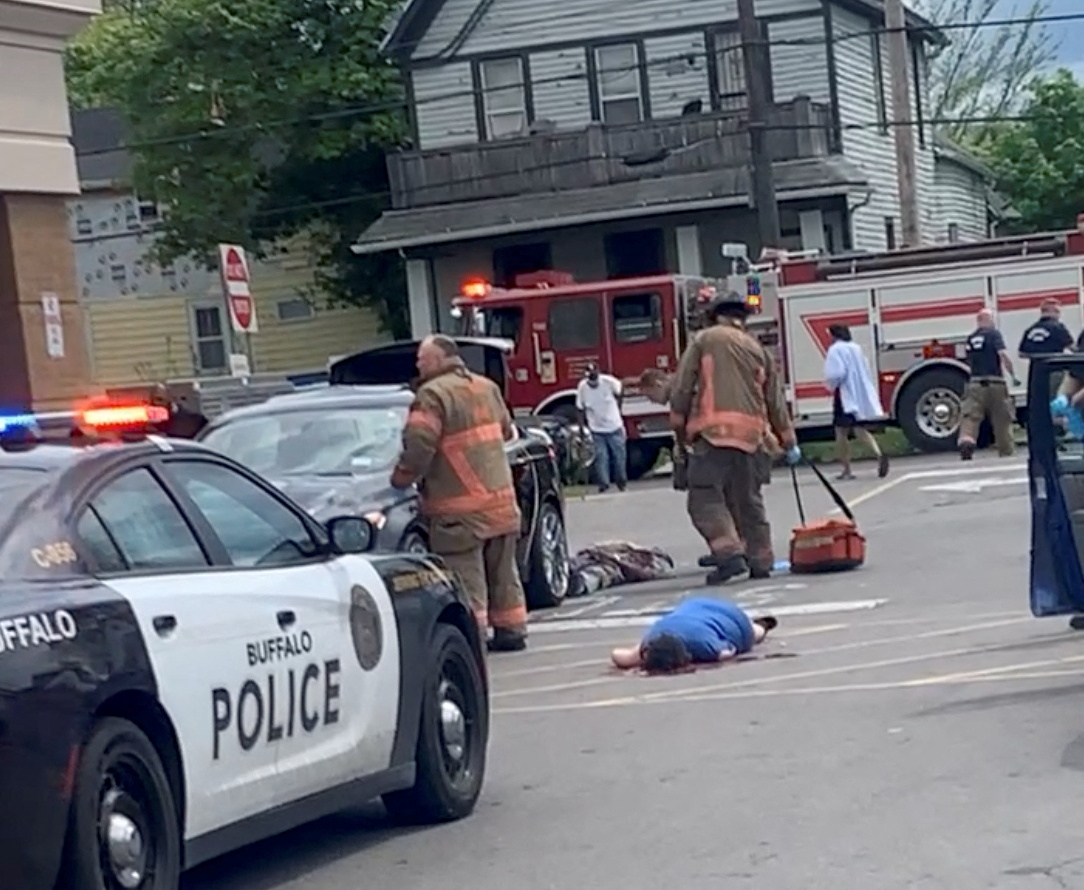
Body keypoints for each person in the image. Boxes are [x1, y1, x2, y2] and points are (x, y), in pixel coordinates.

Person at [391, 334, 528, 652]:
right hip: (502, 502)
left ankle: (473, 639)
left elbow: (420, 446)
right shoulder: (486, 387)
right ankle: (512, 630)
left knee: (467, 579)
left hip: (460, 510)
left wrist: (401, 478)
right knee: (503, 574)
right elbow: (506, 431)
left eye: (421, 359)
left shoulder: (431, 396)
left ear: (438, 360)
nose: (417, 364)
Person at [670, 292, 800, 585]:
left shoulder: (705, 339)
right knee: (748, 500)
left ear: (715, 315)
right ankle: (761, 560)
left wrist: (678, 423)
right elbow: (775, 400)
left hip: (712, 434)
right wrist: (788, 440)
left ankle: (728, 555)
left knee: (704, 497)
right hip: (753, 438)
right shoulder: (758, 349)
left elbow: (683, 384)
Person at [610, 596, 777, 672]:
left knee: (753, 635)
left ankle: (760, 627)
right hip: (696, 605)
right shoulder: (650, 639)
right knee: (745, 633)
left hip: (733, 619)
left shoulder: (707, 647)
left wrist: (711, 658)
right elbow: (618, 655)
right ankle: (758, 626)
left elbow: (728, 651)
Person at [824, 324, 889, 480]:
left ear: (834, 335)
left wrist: (830, 385)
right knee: (858, 428)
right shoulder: (856, 348)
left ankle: (847, 469)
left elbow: (836, 372)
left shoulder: (835, 350)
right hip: (856, 394)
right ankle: (878, 454)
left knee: (840, 433)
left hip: (844, 394)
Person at [958, 309, 1018, 461]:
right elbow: (1002, 355)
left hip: (976, 382)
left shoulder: (971, 338)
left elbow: (969, 359)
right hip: (995, 382)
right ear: (988, 320)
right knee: (1002, 418)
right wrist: (1013, 374)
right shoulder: (994, 335)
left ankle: (967, 440)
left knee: (970, 416)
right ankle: (1006, 450)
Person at [576, 362, 627, 493]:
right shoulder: (582, 387)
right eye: (590, 378)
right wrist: (581, 428)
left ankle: (621, 481)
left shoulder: (608, 382)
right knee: (601, 457)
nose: (592, 381)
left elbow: (621, 389)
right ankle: (604, 483)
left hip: (614, 427)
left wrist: (619, 407)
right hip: (597, 429)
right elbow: (580, 408)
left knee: (619, 456)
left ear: (598, 374)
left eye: (594, 377)